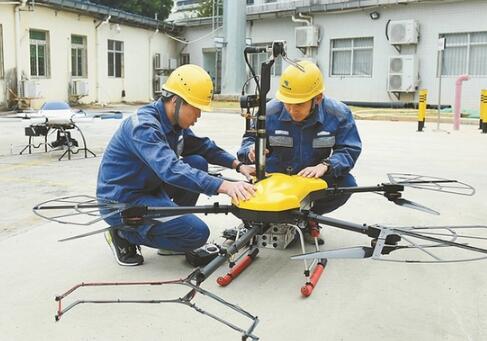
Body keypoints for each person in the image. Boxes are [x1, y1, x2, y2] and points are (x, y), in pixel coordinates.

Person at [97, 64, 255, 266]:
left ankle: (169, 230)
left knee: (197, 162)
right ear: (175, 101)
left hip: (149, 187)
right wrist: (225, 186)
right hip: (122, 200)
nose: (199, 116)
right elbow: (171, 169)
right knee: (197, 234)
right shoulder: (143, 127)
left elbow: (202, 147)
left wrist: (238, 165)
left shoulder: (174, 123)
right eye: (196, 109)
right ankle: (122, 234)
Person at [237, 60, 362, 244]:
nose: (291, 110)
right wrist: (251, 151)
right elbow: (246, 143)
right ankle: (263, 219)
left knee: (347, 184)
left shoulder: (338, 114)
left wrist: (326, 165)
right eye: (287, 103)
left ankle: (307, 218)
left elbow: (349, 149)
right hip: (275, 180)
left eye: (299, 104)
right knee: (243, 194)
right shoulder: (269, 112)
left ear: (317, 98)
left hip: (310, 180)